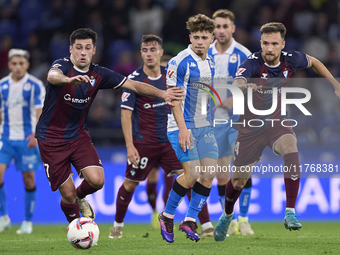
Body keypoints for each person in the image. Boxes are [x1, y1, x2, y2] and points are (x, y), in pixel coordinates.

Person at [35, 28, 184, 224]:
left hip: (78, 135)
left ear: (94, 50)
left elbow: (135, 85)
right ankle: (77, 226)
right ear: (71, 49)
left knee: (97, 180)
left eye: (87, 48)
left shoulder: (99, 73)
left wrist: (163, 94)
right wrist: (68, 80)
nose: (82, 52)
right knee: (67, 194)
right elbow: (52, 76)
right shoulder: (62, 66)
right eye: (78, 47)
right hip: (51, 138)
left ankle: (80, 198)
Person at [213, 22, 340, 241]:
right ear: (260, 43)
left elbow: (315, 62)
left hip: (276, 123)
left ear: (282, 44)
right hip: (250, 128)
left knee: (291, 147)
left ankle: (290, 211)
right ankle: (227, 215)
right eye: (265, 43)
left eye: (274, 44)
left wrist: (334, 84)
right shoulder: (252, 62)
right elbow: (239, 80)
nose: (269, 48)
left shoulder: (292, 58)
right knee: (238, 182)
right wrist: (243, 87)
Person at [110, 34, 182, 238]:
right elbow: (125, 113)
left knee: (188, 178)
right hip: (144, 143)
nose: (149, 54)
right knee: (130, 184)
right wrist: (130, 146)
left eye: (153, 50)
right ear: (140, 53)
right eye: (145, 50)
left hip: (170, 141)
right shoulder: (133, 80)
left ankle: (197, 223)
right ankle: (117, 226)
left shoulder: (171, 76)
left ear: (160, 52)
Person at [158, 14, 218, 243]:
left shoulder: (210, 61)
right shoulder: (179, 62)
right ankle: (167, 215)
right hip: (181, 126)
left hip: (204, 125)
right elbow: (174, 99)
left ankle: (190, 220)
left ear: (212, 38)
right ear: (190, 37)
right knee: (192, 174)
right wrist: (183, 129)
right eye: (196, 37)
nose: (200, 41)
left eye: (204, 37)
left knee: (210, 172)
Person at [208, 9, 254, 236]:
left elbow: (252, 87)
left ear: (233, 28)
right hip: (214, 121)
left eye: (225, 26)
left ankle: (244, 219)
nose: (220, 30)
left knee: (243, 167)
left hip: (239, 120)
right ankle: (231, 219)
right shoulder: (204, 53)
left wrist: (232, 98)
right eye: (217, 26)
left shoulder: (243, 54)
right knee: (221, 174)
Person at [0, 49, 45, 234]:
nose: (18, 67)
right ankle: (3, 218)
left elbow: (39, 110)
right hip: (5, 137)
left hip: (27, 138)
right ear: (9, 65)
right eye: (14, 63)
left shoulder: (35, 85)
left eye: (21, 63)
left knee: (28, 180)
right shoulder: (2, 85)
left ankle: (27, 222)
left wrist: (36, 133)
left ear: (27, 65)